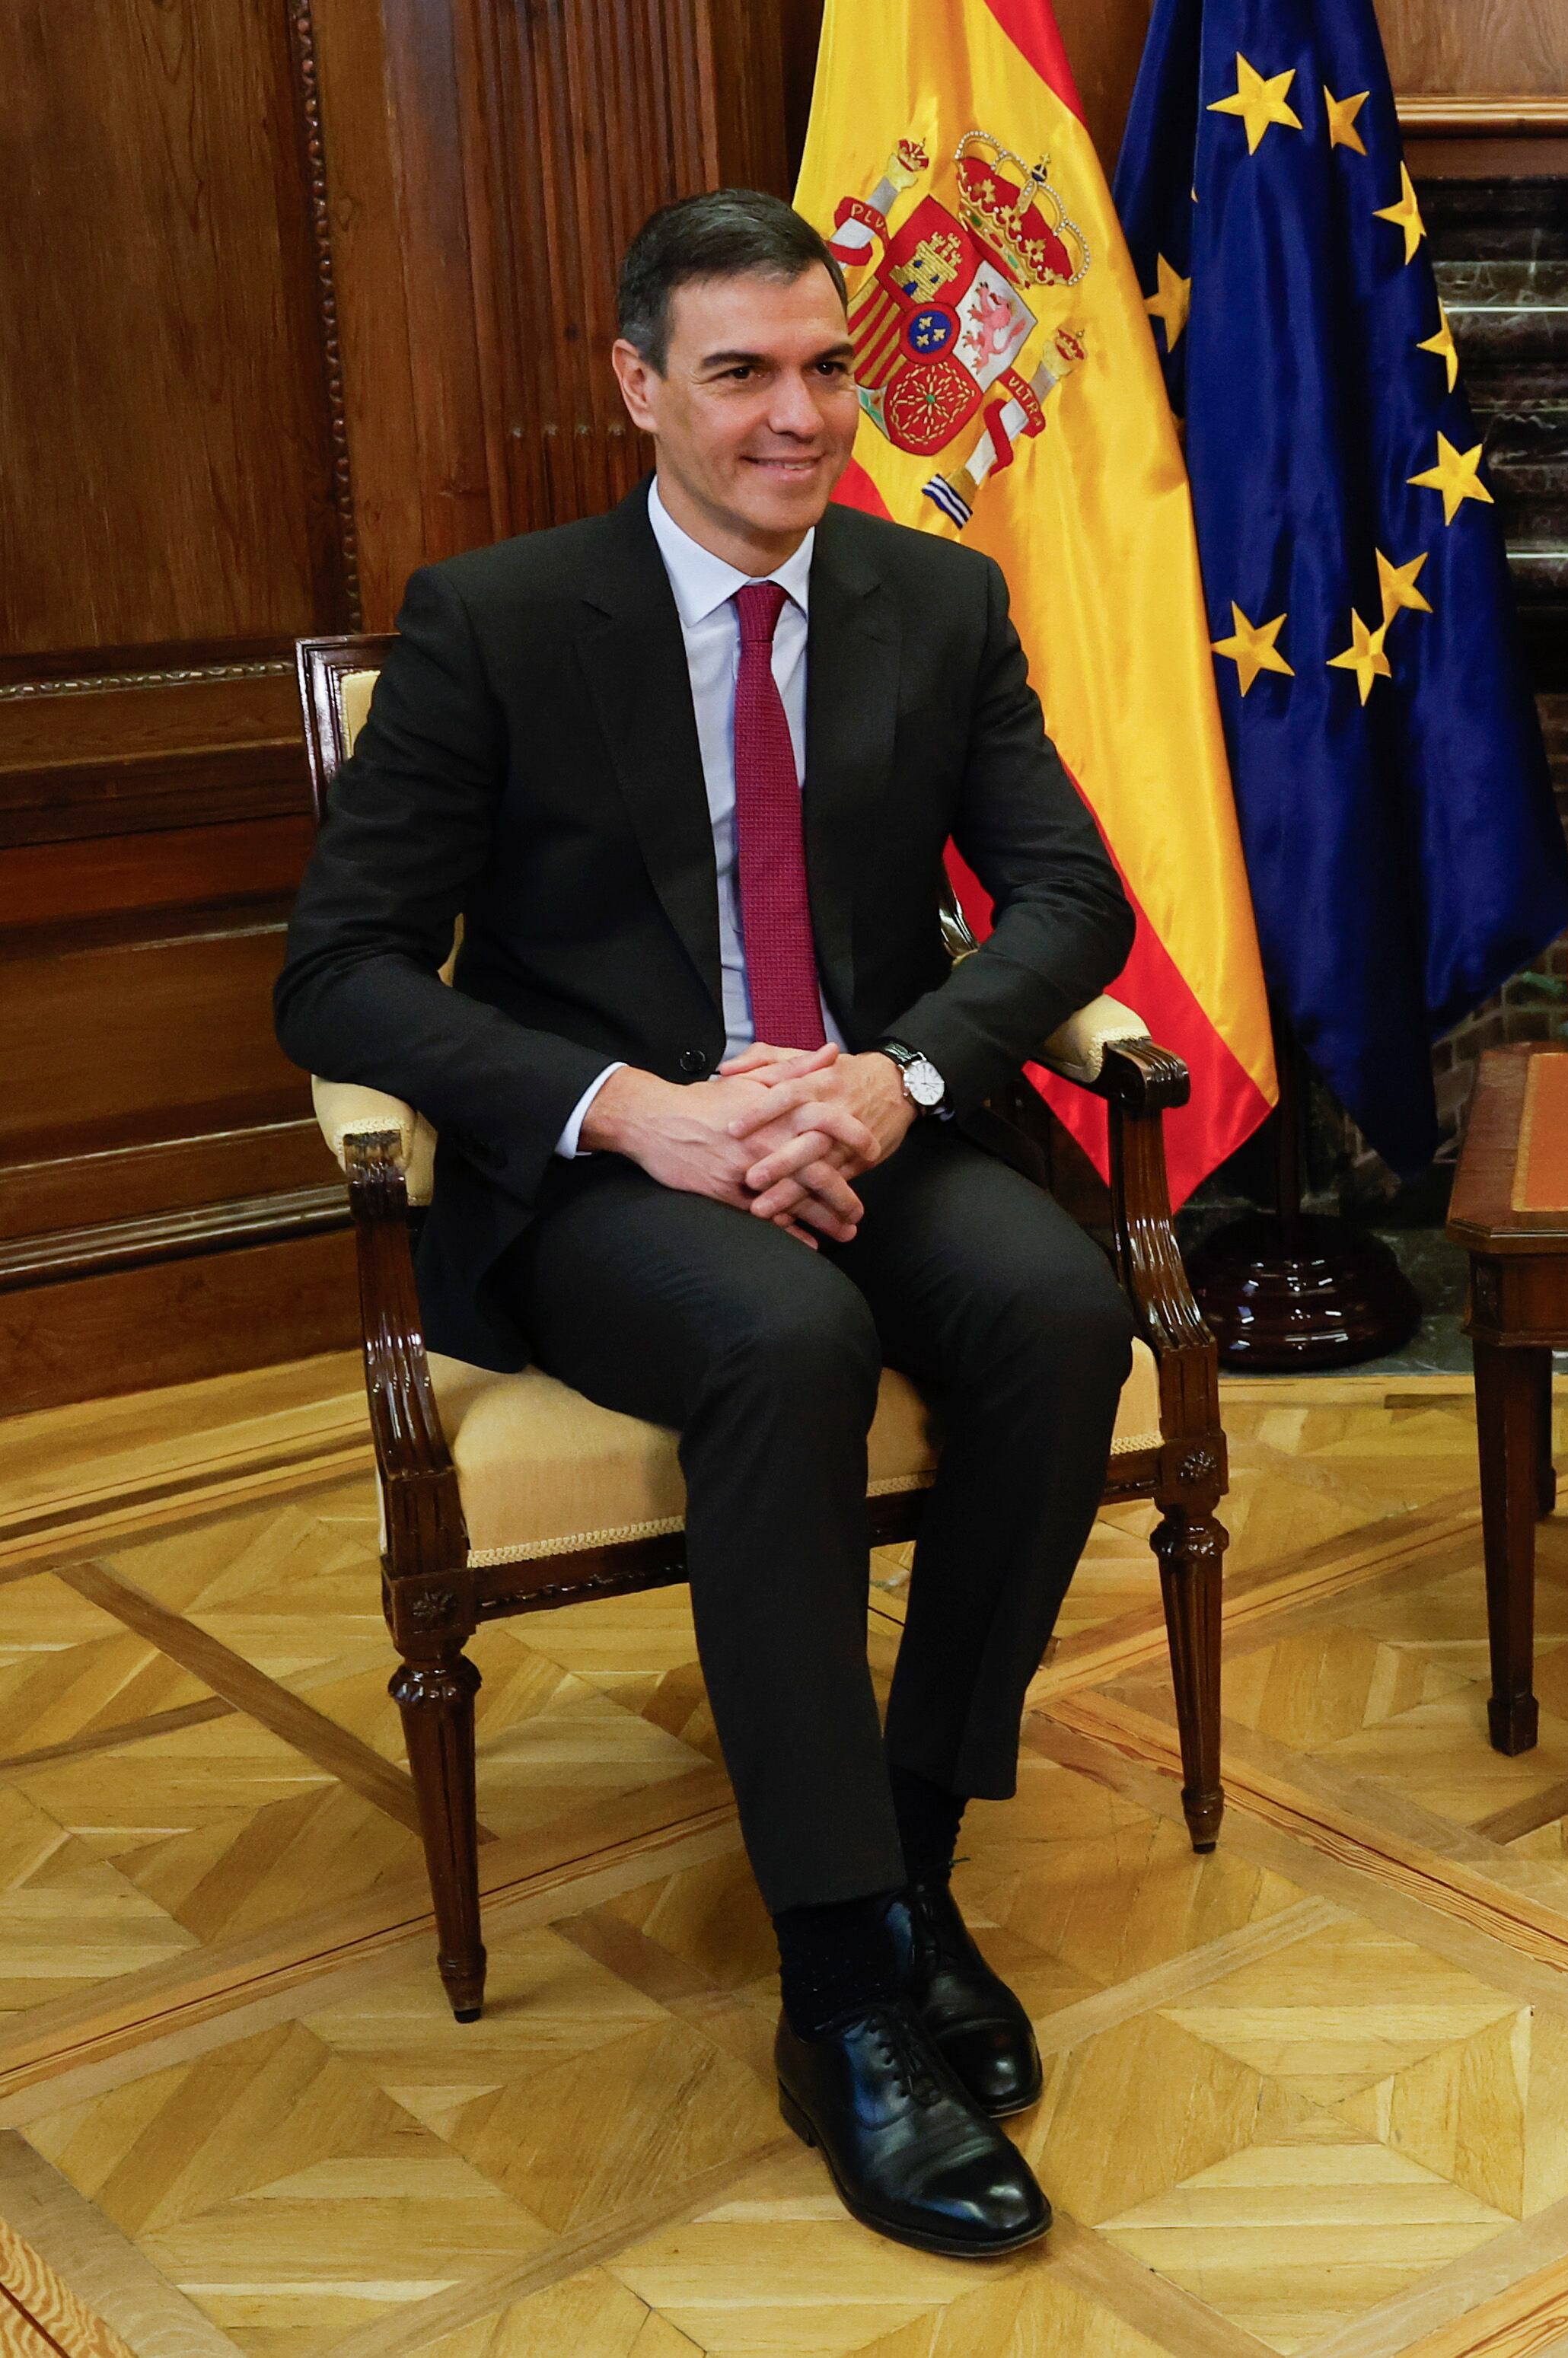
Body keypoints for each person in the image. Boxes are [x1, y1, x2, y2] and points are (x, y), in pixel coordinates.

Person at [276, 189, 1141, 2253]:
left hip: (863, 1119)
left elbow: (1061, 900)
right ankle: (842, 1989)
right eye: (742, 370)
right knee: (784, 1342)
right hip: (605, 1171)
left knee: (1051, 1307)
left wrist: (891, 1076)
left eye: (830, 365)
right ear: (638, 384)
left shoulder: (934, 603)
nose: (799, 414)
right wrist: (636, 1110)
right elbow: (341, 971)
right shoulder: (493, 620)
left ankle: (912, 1857)